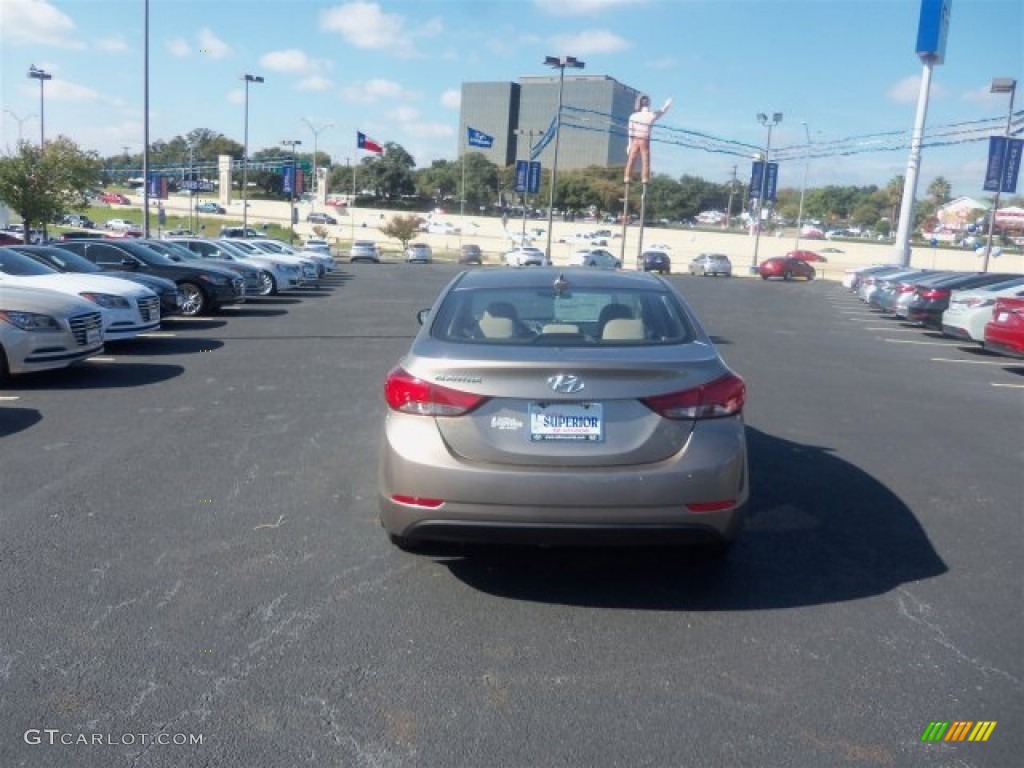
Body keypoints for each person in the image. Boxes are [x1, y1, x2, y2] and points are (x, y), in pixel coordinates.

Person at [624, 94, 672, 184]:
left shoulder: (633, 116)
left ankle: (627, 177)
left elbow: (630, 132)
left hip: (635, 139)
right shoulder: (650, 115)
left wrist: (629, 144)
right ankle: (644, 179)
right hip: (644, 139)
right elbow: (662, 111)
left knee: (631, 159)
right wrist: (667, 105)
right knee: (645, 161)